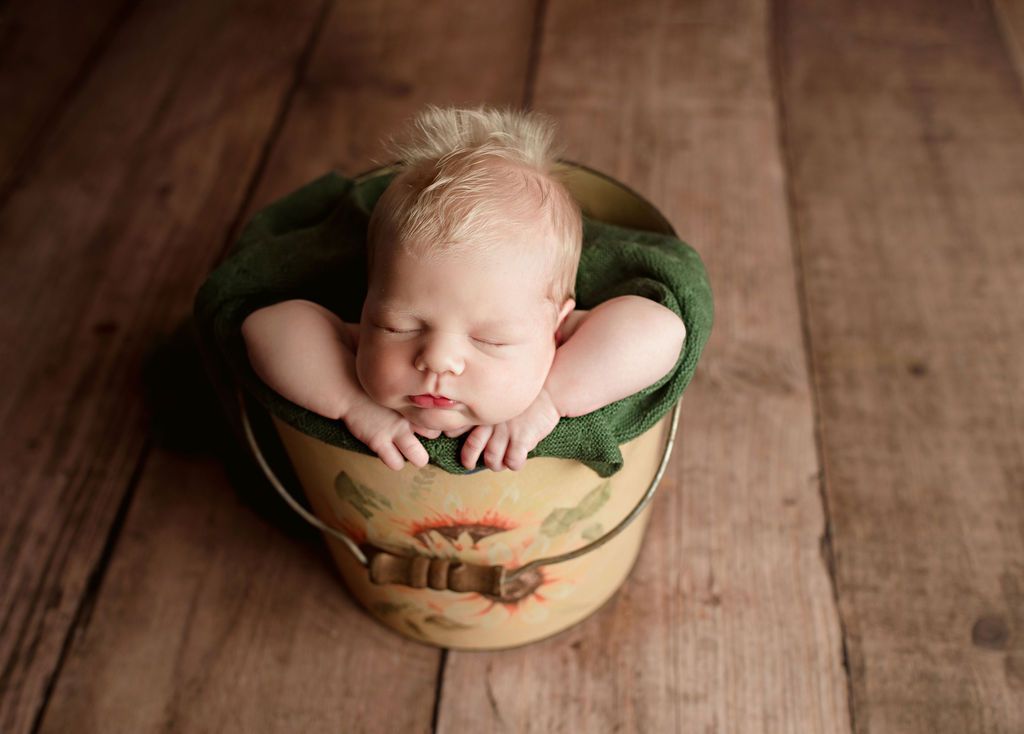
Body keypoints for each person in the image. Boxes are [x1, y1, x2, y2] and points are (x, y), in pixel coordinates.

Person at [241, 105, 686, 473]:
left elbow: (662, 330)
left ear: (557, 327)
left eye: (489, 339)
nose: (436, 358)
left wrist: (550, 398)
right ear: (369, 301)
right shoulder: (362, 349)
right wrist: (351, 404)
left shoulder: (565, 346)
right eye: (399, 325)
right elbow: (265, 327)